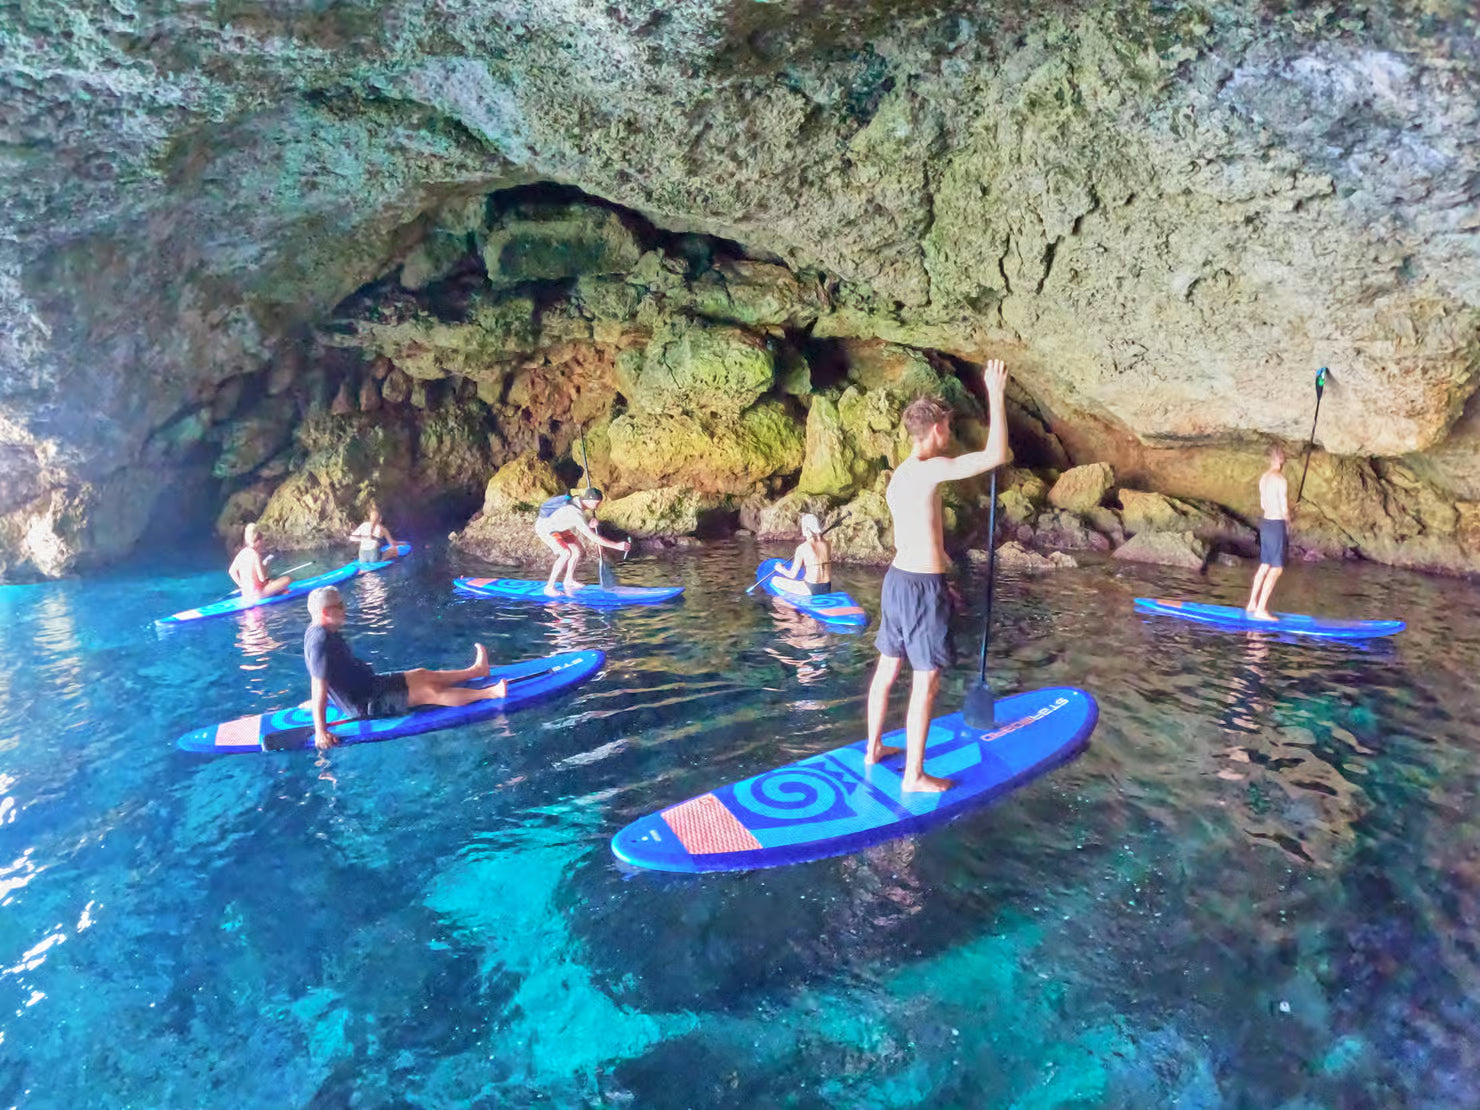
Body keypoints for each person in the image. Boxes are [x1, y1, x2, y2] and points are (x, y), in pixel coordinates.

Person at [865, 359, 1010, 793]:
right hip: (921, 589)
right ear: (934, 431)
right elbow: (997, 455)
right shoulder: (931, 471)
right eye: (947, 428)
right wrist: (996, 394)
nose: (949, 436)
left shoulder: (900, 476)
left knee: (887, 670)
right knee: (926, 681)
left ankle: (873, 750)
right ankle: (913, 775)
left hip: (896, 583)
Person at [304, 585, 507, 751]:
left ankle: (477, 671)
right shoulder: (320, 641)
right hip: (364, 704)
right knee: (429, 692)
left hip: (370, 685)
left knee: (423, 674)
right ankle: (490, 693)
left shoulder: (323, 631)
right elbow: (319, 684)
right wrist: (321, 730)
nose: (345, 608)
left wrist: (324, 700)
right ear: (326, 612)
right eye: (340, 605)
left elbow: (332, 676)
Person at [534, 487, 631, 593]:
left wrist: (589, 525)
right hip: (547, 529)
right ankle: (549, 587)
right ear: (589, 501)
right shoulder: (575, 512)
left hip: (560, 527)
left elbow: (573, 521)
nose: (597, 507)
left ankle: (568, 580)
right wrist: (617, 546)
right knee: (565, 553)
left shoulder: (578, 500)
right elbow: (592, 536)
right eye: (597, 503)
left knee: (576, 551)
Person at [1245, 445, 1290, 620]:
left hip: (1266, 524)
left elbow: (1265, 504)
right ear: (1280, 459)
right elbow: (1284, 509)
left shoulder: (1264, 478)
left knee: (1265, 565)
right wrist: (1290, 517)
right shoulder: (1280, 479)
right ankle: (1261, 609)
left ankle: (1252, 604)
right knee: (1277, 568)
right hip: (1277, 524)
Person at [773, 513, 833, 596]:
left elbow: (792, 575)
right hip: (827, 588)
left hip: (811, 589)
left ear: (805, 529)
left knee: (775, 580)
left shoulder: (802, 548)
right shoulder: (827, 544)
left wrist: (780, 569)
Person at [229, 522, 291, 600]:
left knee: (271, 582)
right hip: (258, 594)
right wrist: (265, 565)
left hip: (246, 593)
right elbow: (262, 578)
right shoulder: (255, 555)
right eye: (261, 539)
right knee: (287, 579)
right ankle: (277, 592)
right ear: (258, 540)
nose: (262, 542)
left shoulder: (242, 553)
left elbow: (231, 571)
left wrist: (241, 585)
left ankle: (277, 591)